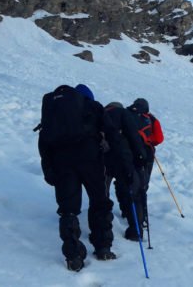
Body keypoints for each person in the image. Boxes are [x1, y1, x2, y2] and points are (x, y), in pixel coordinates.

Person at [38, 84, 138, 272]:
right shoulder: (93, 107)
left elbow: (44, 143)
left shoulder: (55, 113)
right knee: (99, 202)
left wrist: (49, 170)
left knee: (68, 210)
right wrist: (126, 167)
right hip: (90, 159)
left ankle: (73, 256)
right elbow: (113, 137)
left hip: (62, 163)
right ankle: (103, 247)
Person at [102, 101, 150, 241]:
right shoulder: (123, 114)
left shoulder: (100, 114)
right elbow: (134, 137)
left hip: (103, 158)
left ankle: (105, 221)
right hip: (123, 158)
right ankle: (135, 230)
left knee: (102, 191)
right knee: (131, 192)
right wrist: (141, 156)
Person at [126, 98, 163, 235]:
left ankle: (127, 211)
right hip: (146, 155)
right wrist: (148, 141)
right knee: (142, 184)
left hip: (128, 154)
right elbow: (159, 139)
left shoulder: (127, 114)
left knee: (129, 184)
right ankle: (142, 217)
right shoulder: (151, 119)